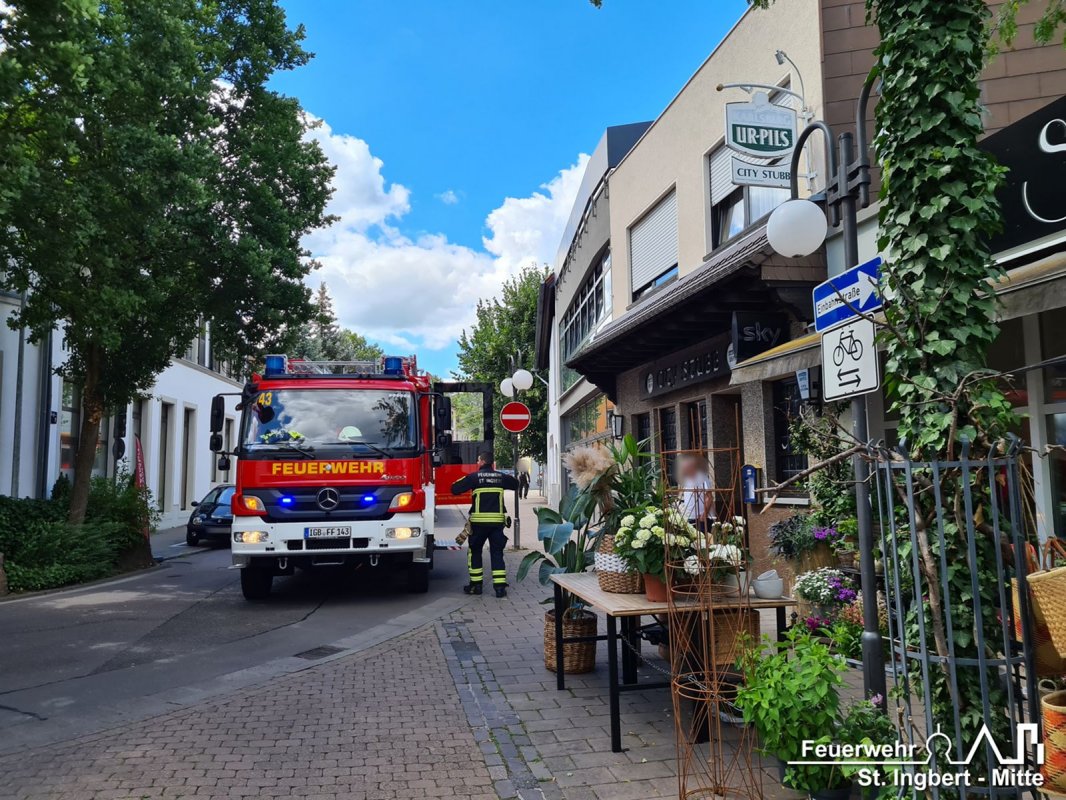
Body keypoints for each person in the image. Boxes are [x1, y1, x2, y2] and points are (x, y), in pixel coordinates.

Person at [451, 452, 518, 597]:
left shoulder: (474, 477)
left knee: (475, 552)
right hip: (496, 524)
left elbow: (455, 489)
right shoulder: (501, 477)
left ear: (481, 462)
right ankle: (500, 589)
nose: (477, 462)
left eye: (478, 460)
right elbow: (515, 484)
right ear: (492, 463)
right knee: (497, 553)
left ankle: (476, 587)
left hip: (478, 525)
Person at [678, 454, 714, 531]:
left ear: (692, 467)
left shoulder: (702, 477)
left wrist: (704, 514)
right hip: (689, 517)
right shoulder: (687, 479)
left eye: (685, 468)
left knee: (703, 540)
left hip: (701, 518)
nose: (683, 470)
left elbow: (710, 497)